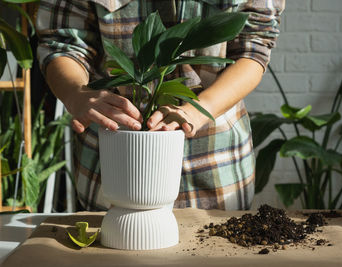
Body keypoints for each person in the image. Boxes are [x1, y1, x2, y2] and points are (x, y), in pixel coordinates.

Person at [36, 0, 285, 211]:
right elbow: (62, 41)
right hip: (113, 169)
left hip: (216, 166)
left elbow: (254, 48)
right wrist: (76, 94)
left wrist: (197, 110)